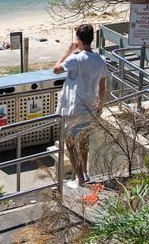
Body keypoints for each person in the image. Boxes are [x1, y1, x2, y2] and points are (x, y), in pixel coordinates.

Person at [53, 24, 107, 189]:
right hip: (90, 106)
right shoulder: (101, 59)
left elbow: (55, 70)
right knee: (84, 143)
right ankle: (85, 173)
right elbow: (102, 87)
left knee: (70, 144)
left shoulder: (75, 58)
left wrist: (68, 51)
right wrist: (101, 105)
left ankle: (80, 180)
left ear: (78, 39)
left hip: (72, 107)